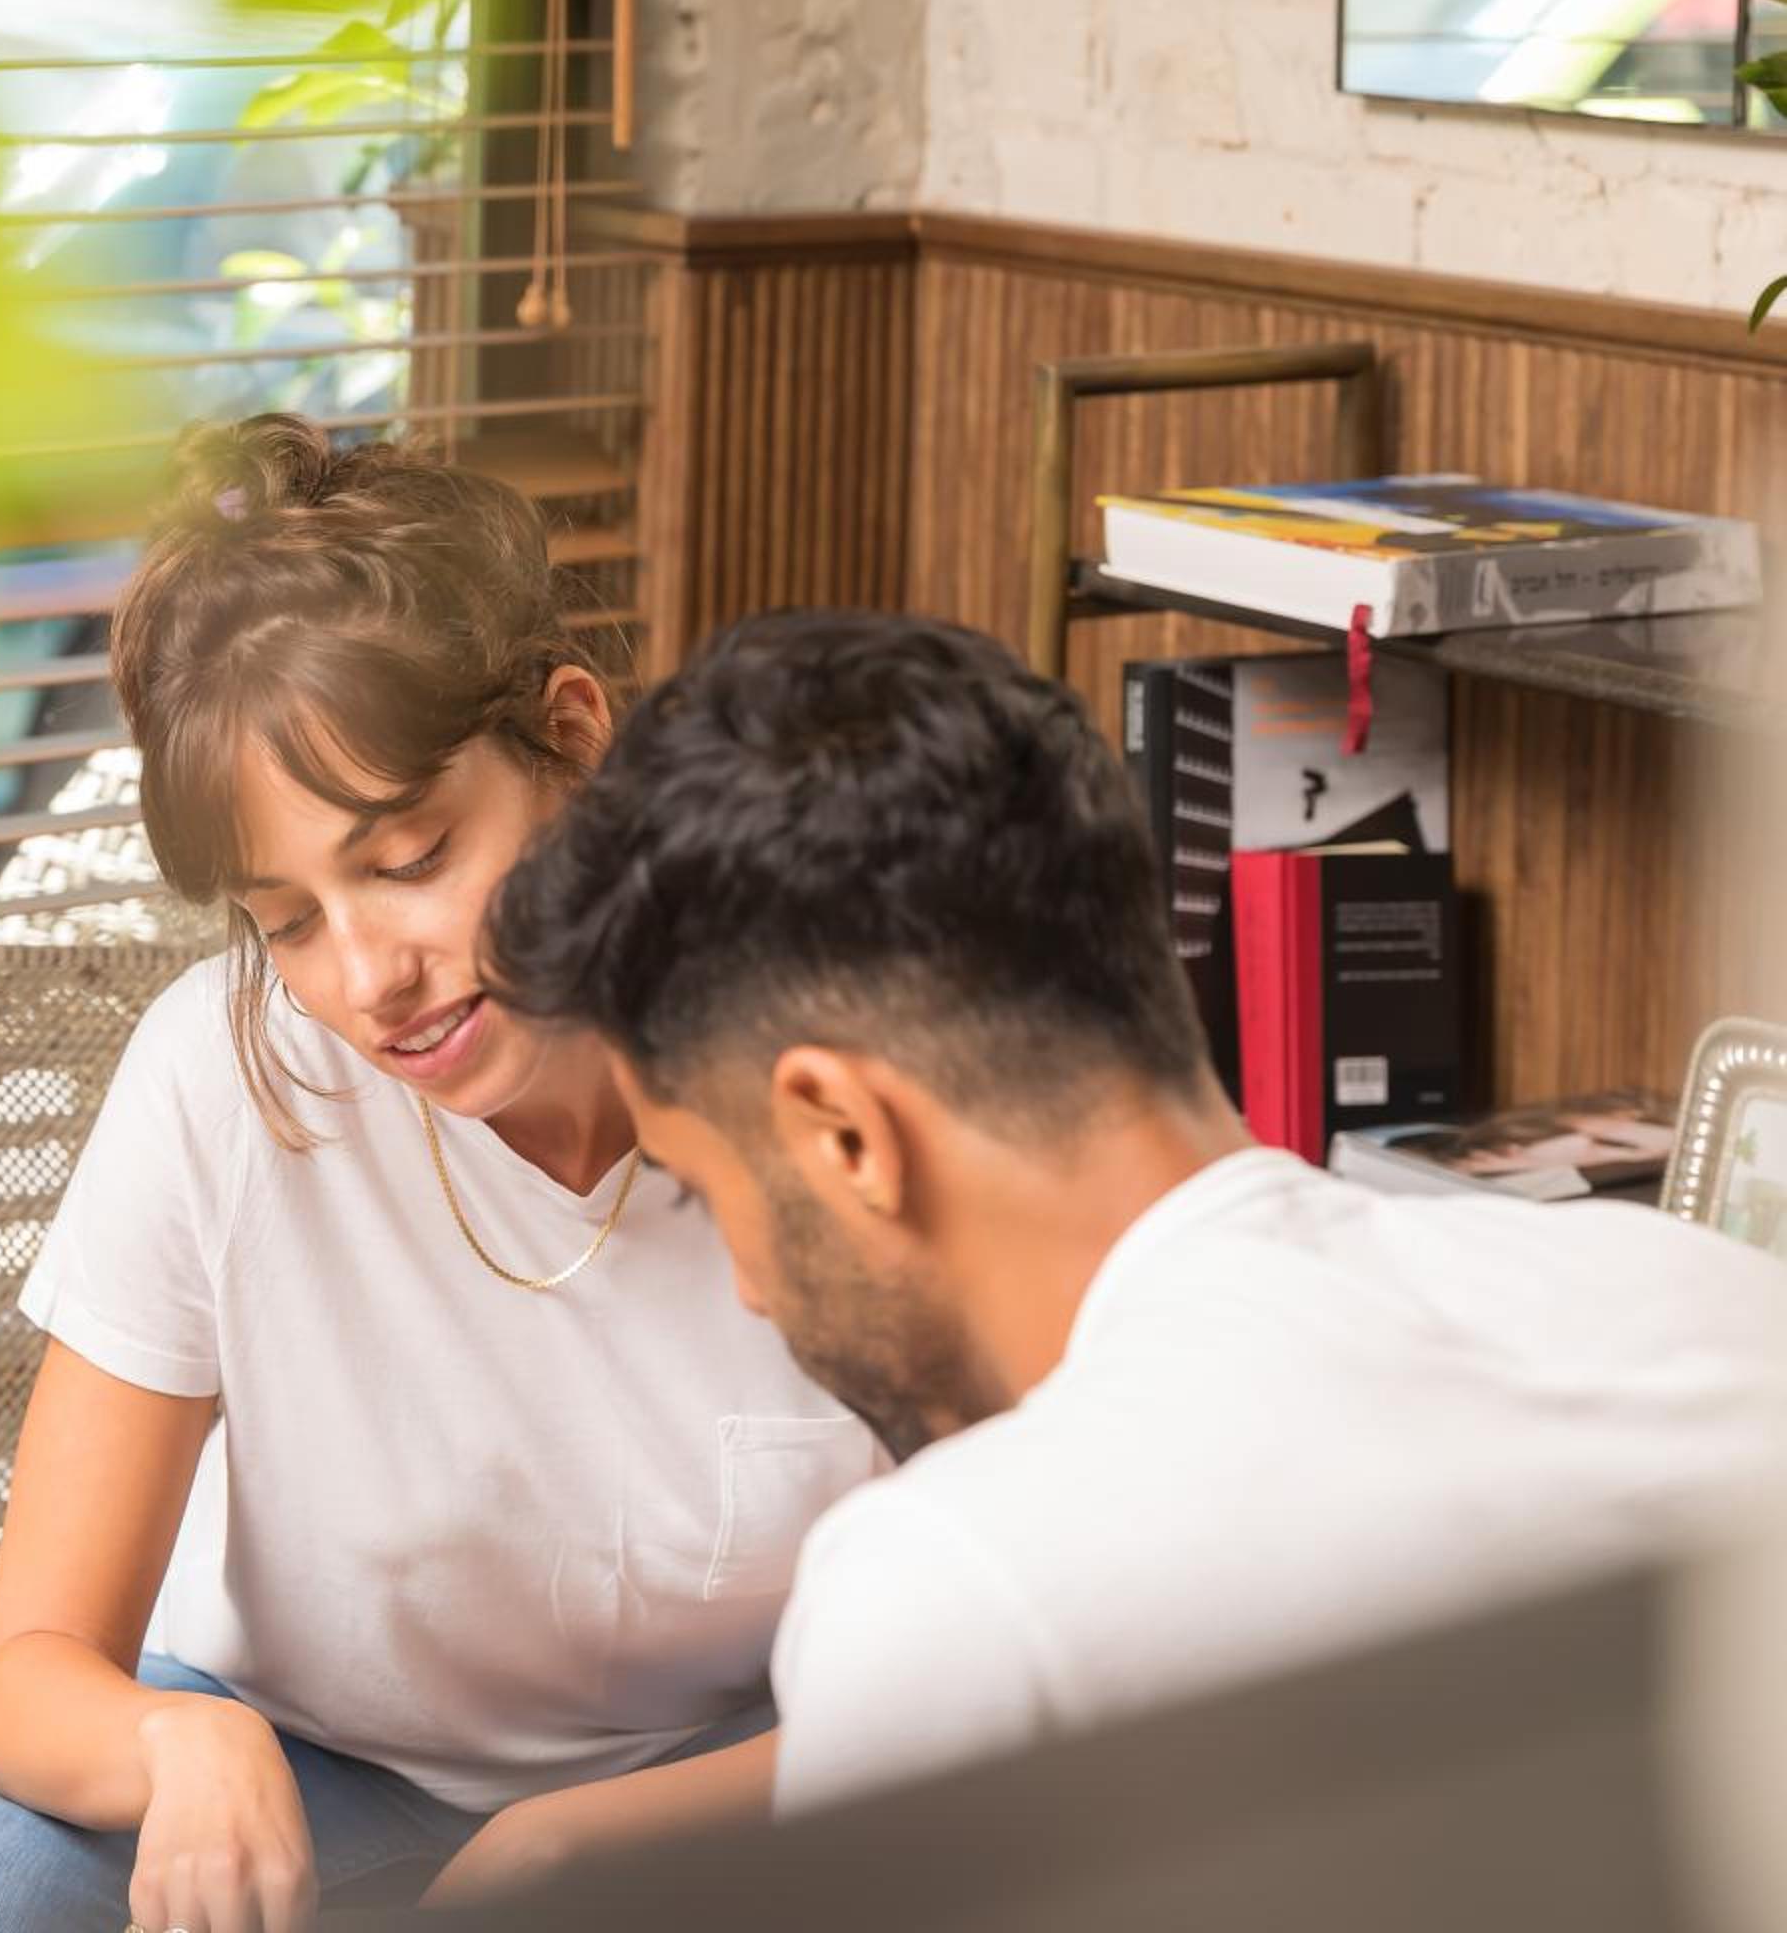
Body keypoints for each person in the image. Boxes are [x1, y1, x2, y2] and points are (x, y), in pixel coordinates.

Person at [0, 420, 878, 1931]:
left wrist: (575, 1847)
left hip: (752, 1777)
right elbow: (29, 1670)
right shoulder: (224, 1077)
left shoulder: (833, 1063)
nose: (370, 978)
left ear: (573, 737)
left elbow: (1002, 1662)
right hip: (306, 1757)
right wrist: (183, 1745)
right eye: (288, 920)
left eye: (409, 860)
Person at [484, 609, 1787, 1819]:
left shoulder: (960, 1587)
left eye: (707, 1190)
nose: (750, 1288)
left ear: (844, 1136)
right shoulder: (1701, 1296)